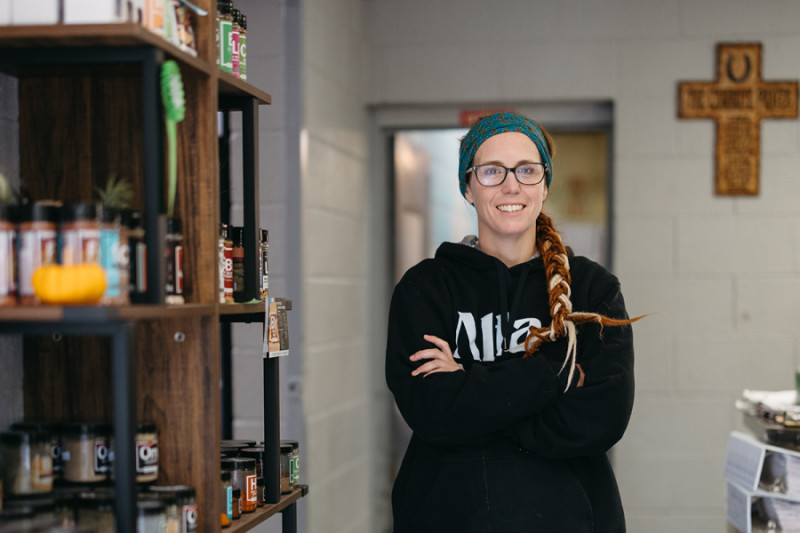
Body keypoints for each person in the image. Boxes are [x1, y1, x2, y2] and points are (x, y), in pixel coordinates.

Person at [385, 112, 642, 532]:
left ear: (545, 185)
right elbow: (430, 411)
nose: (511, 185)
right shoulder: (425, 288)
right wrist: (554, 376)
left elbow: (603, 418)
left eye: (526, 170)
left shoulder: (592, 289)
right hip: (449, 518)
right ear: (468, 187)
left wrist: (468, 382)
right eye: (491, 171)